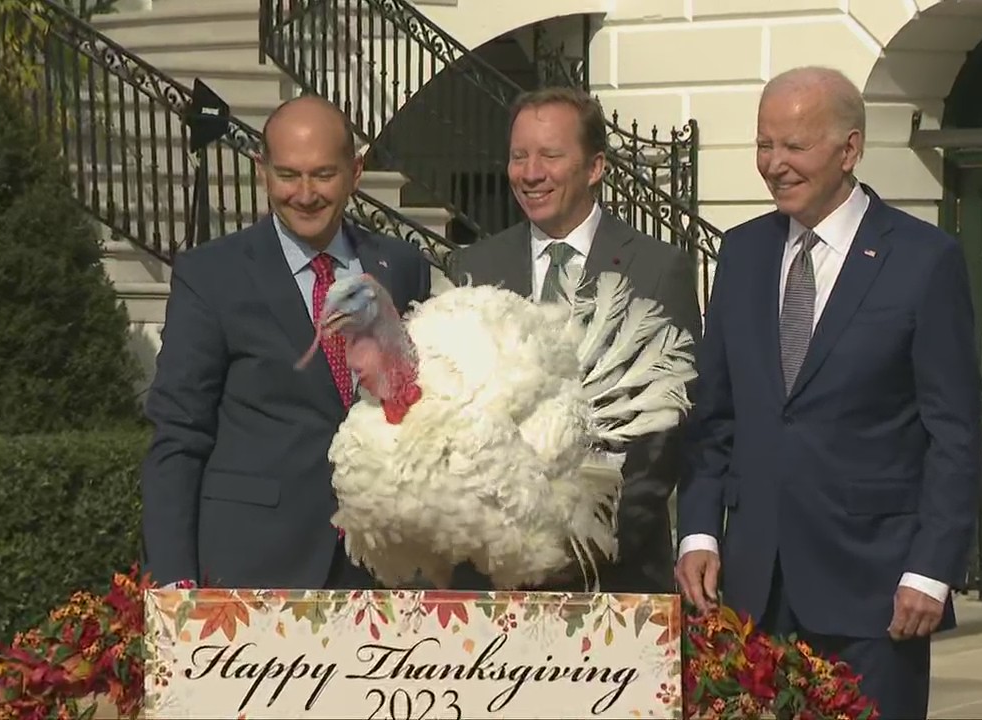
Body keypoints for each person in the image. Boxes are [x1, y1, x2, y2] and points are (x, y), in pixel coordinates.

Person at [675, 66, 982, 720]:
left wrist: (931, 568)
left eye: (794, 146)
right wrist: (699, 532)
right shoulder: (742, 252)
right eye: (764, 145)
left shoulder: (924, 260)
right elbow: (714, 419)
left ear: (849, 149)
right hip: (752, 591)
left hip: (875, 592)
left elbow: (953, 434)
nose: (774, 164)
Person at [140, 95, 432, 590]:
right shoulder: (212, 275)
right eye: (287, 174)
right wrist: (172, 581)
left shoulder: (402, 268)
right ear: (262, 170)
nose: (304, 193)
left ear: (356, 172)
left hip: (383, 573)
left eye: (323, 174)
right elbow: (178, 434)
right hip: (252, 568)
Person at [446, 86, 703, 593]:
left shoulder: (657, 271)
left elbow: (672, 431)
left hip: (615, 571)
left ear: (595, 168)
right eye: (519, 156)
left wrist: (583, 542)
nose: (530, 172)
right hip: (494, 572)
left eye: (550, 155)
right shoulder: (476, 266)